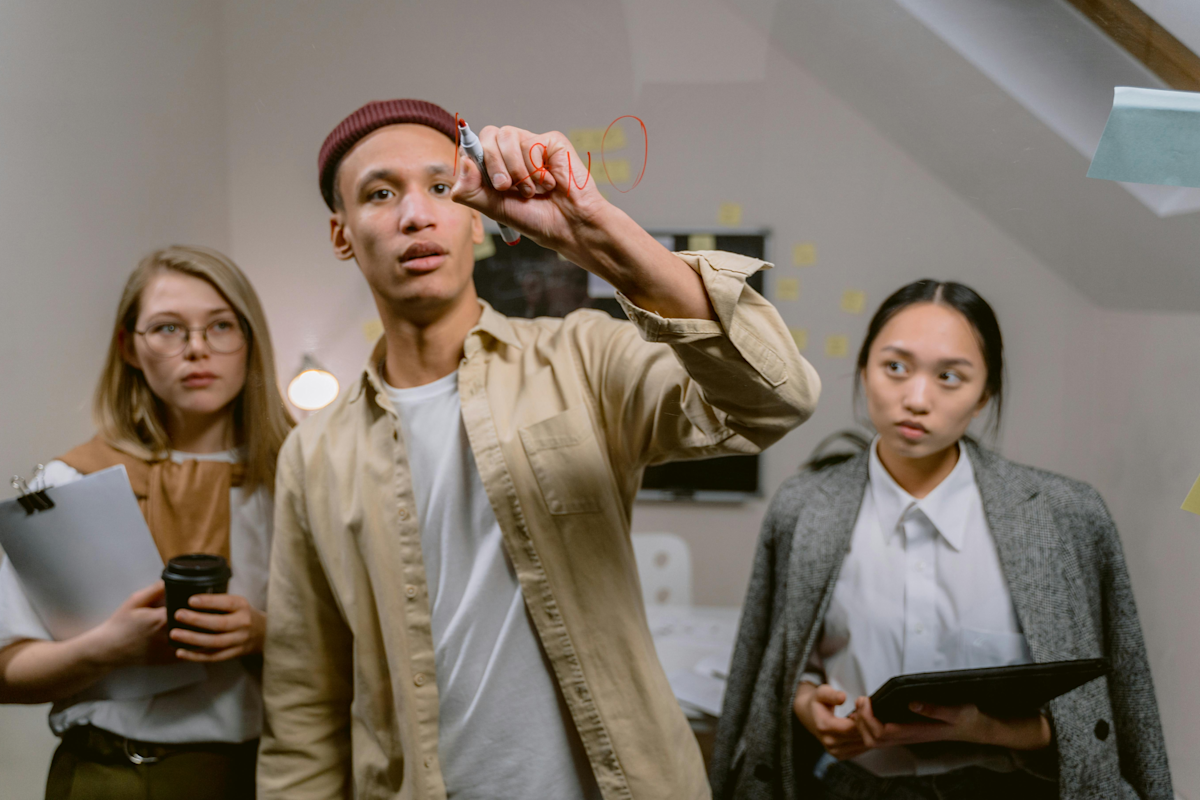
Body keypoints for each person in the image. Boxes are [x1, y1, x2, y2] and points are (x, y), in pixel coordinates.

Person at [256, 99, 820, 799]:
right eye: (380, 193)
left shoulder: (581, 357)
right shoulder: (313, 452)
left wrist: (598, 237)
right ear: (341, 234)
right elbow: (303, 700)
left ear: (474, 215)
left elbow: (779, 397)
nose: (415, 215)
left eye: (440, 187)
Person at [711, 280, 1173, 800]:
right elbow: (779, 661)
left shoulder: (1066, 517)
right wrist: (806, 703)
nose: (916, 398)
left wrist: (985, 729)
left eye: (950, 377)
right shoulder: (805, 507)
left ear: (985, 395)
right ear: (863, 370)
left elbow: (1102, 711)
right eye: (895, 367)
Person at [0, 246, 294, 799]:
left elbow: (373, 641)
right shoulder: (70, 486)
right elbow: (6, 669)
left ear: (251, 341)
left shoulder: (298, 478)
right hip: (115, 774)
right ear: (128, 347)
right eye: (167, 329)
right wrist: (109, 648)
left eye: (222, 326)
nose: (197, 350)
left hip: (271, 775)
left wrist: (263, 632)